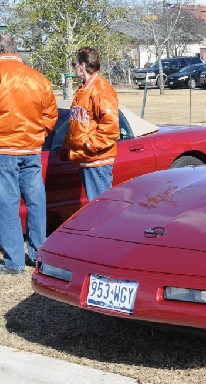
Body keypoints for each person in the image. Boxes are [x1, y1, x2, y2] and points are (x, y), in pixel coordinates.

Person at [0, 34, 58, 275]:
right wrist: (38, 135)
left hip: (4, 150)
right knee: (36, 202)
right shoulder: (38, 79)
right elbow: (51, 115)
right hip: (32, 149)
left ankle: (14, 261)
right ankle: (38, 255)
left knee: (7, 204)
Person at [63, 47, 119, 201]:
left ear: (82, 65)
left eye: (75, 63)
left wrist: (88, 145)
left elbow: (111, 128)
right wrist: (68, 144)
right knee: (95, 208)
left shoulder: (100, 90)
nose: (74, 67)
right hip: (86, 159)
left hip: (97, 160)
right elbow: (79, 123)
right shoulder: (84, 89)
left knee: (101, 209)